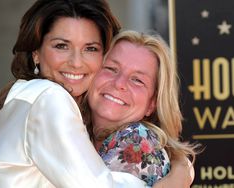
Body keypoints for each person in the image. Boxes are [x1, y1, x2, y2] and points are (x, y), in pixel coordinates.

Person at [0, 0, 194, 187]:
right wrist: (180, 173)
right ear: (36, 53)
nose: (76, 62)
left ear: (153, 103)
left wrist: (180, 167)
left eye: (90, 48)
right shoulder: (48, 98)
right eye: (61, 46)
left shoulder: (25, 98)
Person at [82, 30, 197, 187]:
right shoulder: (79, 129)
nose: (119, 83)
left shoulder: (134, 140)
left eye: (137, 80)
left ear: (152, 104)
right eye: (111, 68)